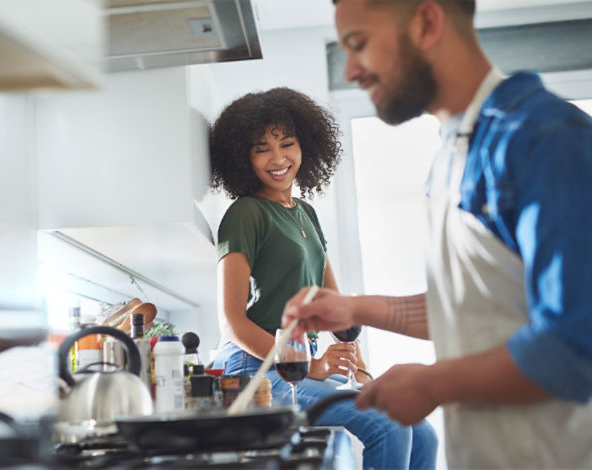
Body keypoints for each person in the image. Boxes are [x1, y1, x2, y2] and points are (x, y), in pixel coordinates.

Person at [283, 1, 592, 468]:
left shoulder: (545, 139)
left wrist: (432, 383)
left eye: (359, 44)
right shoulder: (452, 154)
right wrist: (354, 307)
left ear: (427, 22)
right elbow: (480, 308)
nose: (350, 71)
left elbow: (577, 341)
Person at [210, 87, 438, 470]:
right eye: (261, 148)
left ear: (306, 146)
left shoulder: (306, 213)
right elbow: (231, 323)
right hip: (257, 370)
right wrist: (308, 365)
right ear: (242, 157)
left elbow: (338, 310)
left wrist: (363, 372)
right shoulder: (245, 213)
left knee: (422, 430)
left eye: (287, 143)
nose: (278, 158)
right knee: (388, 427)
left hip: (295, 366)